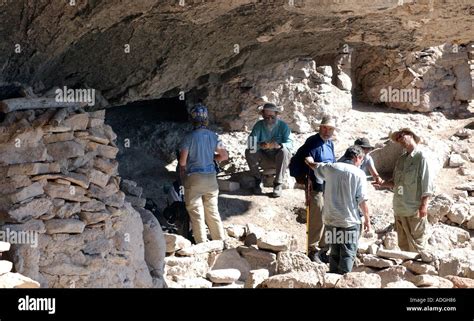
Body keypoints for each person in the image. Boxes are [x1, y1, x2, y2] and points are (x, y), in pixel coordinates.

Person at [307, 145, 370, 274]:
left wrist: (308, 160)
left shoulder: (330, 167)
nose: (361, 163)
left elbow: (315, 166)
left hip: (330, 220)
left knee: (334, 253)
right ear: (357, 157)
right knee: (347, 254)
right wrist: (367, 220)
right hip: (349, 221)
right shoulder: (359, 174)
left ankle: (332, 280)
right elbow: (362, 199)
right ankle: (343, 281)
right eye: (361, 160)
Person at [373, 128, 434, 253]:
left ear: (411, 135)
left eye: (401, 136)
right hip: (400, 208)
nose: (400, 139)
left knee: (418, 244)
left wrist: (424, 206)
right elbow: (395, 182)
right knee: (403, 245)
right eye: (397, 138)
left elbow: (427, 183)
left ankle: (420, 271)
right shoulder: (401, 159)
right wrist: (383, 184)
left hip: (414, 209)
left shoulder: (421, 157)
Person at [178, 103, 228, 243]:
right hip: (211, 179)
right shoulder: (214, 136)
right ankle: (220, 241)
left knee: (196, 212)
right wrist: (212, 159)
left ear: (192, 119)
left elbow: (182, 162)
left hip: (194, 179)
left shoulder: (188, 137)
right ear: (206, 119)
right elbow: (224, 156)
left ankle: (202, 243)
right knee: (212, 211)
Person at [297, 115, 336, 263]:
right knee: (317, 216)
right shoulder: (313, 141)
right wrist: (317, 166)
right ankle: (312, 250)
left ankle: (324, 249)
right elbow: (308, 159)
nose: (327, 131)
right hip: (315, 184)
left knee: (329, 216)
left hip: (329, 185)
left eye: (330, 129)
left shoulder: (330, 144)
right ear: (320, 127)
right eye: (325, 128)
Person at [245, 103, 293, 198]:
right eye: (266, 117)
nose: (269, 119)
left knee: (285, 151)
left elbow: (290, 144)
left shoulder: (283, 126)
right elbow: (250, 143)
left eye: (272, 116)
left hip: (279, 159)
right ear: (262, 115)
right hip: (264, 158)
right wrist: (260, 145)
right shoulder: (258, 125)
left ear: (276, 115)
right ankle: (257, 179)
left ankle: (278, 183)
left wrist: (279, 145)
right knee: (249, 151)